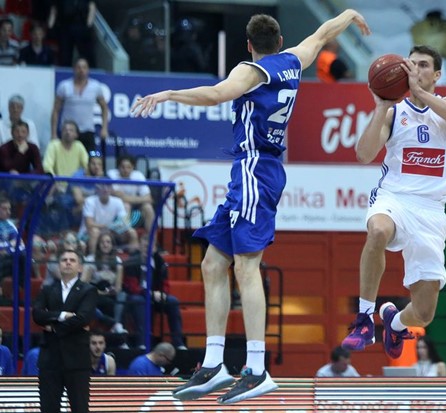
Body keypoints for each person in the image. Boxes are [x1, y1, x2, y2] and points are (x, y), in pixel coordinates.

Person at [131, 9, 370, 404]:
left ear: (249, 46)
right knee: (211, 263)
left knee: (246, 266)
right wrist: (347, 13)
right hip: (254, 170)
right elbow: (322, 31)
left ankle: (257, 368)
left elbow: (216, 94)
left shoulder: (251, 70)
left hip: (256, 168)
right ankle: (213, 363)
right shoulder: (293, 60)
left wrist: (168, 94)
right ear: (278, 42)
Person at [340, 45, 446, 361]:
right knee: (378, 231)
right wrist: (382, 105)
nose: (414, 70)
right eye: (409, 64)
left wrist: (419, 93)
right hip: (395, 198)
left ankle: (395, 323)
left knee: (424, 313)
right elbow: (364, 155)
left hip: (431, 210)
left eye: (422, 65)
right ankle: (364, 319)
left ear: (437, 74)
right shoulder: (395, 113)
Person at [32, 248, 98, 413]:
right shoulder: (47, 289)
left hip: (77, 361)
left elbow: (83, 318)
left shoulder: (88, 290)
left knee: (79, 408)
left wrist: (53, 326)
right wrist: (62, 315)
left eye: (72, 260)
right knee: (48, 408)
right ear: (58, 266)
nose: (68, 262)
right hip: (50, 360)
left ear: (80, 267)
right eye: (64, 260)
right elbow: (37, 315)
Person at [123, 234, 186, 350]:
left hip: (155, 295)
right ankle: (142, 343)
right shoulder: (131, 261)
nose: (147, 249)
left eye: (150, 246)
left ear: (155, 248)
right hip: (137, 296)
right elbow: (132, 287)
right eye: (144, 246)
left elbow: (165, 283)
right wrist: (150, 294)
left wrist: (163, 294)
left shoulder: (159, 261)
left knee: (173, 301)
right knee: (138, 301)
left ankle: (178, 343)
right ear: (140, 247)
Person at [51, 58, 109, 152]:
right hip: (68, 131)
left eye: (84, 67)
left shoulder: (95, 87)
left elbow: (105, 108)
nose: (81, 70)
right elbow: (55, 110)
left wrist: (104, 128)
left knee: (89, 162)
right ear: (74, 69)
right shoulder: (64, 86)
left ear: (88, 70)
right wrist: (53, 133)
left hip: (88, 131)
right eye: (78, 67)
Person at [77, 182, 139, 255]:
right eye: (102, 186)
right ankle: (92, 257)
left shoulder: (117, 201)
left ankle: (133, 257)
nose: (105, 189)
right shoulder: (90, 201)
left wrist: (118, 226)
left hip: (109, 232)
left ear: (111, 189)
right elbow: (89, 224)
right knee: (95, 231)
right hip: (86, 234)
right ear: (97, 189)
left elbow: (125, 222)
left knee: (132, 232)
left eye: (108, 186)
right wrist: (108, 226)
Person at [107, 154, 155, 231]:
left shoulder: (138, 175)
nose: (126, 170)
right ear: (118, 167)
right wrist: (139, 199)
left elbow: (148, 198)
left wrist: (127, 198)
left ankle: (152, 241)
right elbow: (118, 196)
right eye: (123, 167)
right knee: (126, 205)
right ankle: (128, 236)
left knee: (148, 208)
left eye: (129, 167)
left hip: (136, 207)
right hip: (117, 206)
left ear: (133, 167)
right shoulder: (112, 174)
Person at [47, 0, 96, 67]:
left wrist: (88, 26)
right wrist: (50, 27)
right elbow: (54, 10)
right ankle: (64, 73)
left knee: (86, 54)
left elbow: (92, 8)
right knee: (65, 55)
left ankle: (88, 72)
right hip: (65, 27)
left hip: (81, 26)